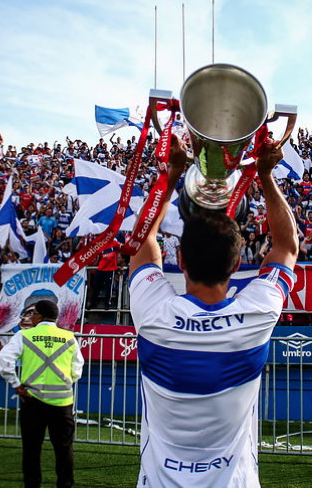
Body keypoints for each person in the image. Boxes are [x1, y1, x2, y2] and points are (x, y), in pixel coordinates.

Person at [128, 133, 298, 487]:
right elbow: (287, 245)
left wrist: (173, 172)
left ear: (180, 260)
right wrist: (265, 174)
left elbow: (143, 240)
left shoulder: (153, 314)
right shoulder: (255, 317)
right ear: (237, 266)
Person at [0, 299, 84, 488]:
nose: (31, 317)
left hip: (33, 399)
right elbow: (78, 368)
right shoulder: (69, 337)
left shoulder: (25, 335)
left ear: (38, 316)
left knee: (31, 448)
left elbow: (4, 361)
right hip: (62, 402)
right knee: (64, 448)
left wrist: (16, 384)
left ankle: (32, 484)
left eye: (32, 314)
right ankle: (65, 484)